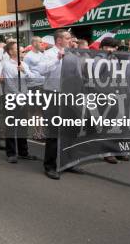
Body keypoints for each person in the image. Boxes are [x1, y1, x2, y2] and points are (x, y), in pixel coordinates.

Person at [2, 41, 38, 163]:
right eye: (17, 48)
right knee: (12, 126)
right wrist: (20, 98)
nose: (21, 50)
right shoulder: (7, 65)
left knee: (23, 126)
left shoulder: (23, 64)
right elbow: (10, 84)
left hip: (24, 97)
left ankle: (23, 152)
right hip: (13, 98)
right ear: (11, 52)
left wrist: (24, 71)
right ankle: (11, 153)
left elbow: (32, 79)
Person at [41, 29, 71, 180]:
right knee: (53, 132)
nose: (70, 40)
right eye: (67, 38)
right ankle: (50, 166)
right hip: (52, 94)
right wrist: (57, 59)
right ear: (59, 40)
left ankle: (68, 162)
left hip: (68, 94)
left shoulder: (71, 53)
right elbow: (42, 70)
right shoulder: (48, 54)